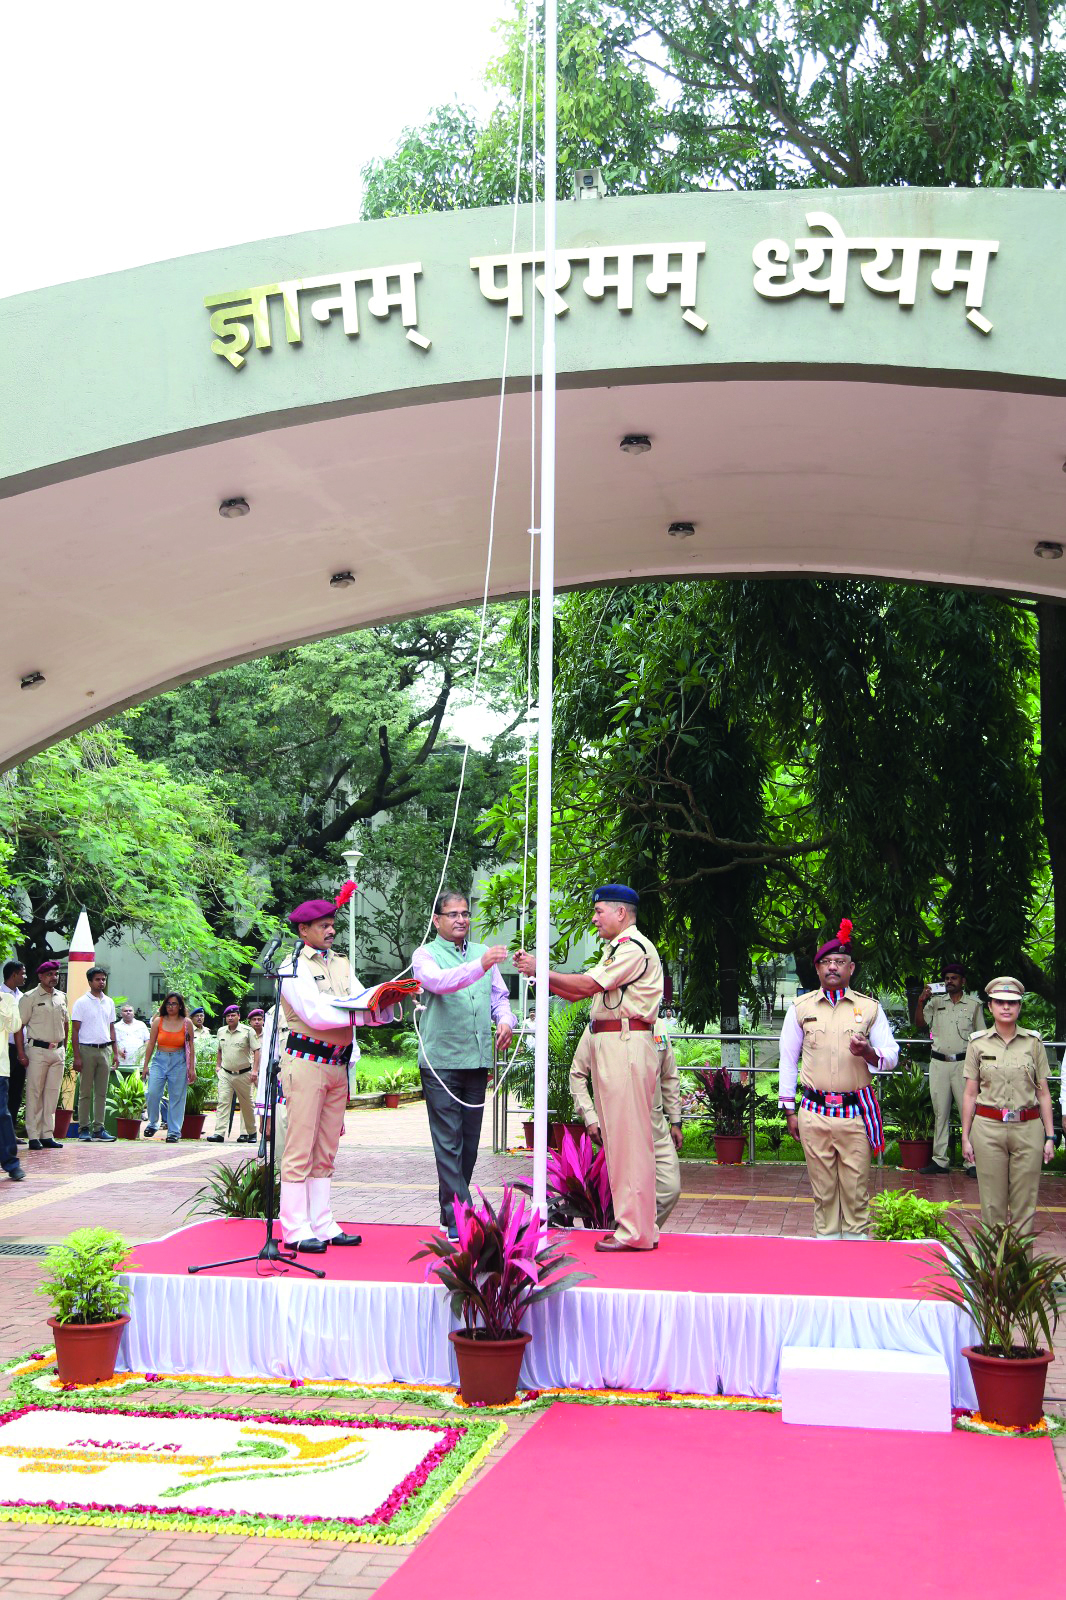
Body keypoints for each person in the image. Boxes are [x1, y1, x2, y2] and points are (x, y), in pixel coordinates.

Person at [516, 883, 664, 1253]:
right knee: (623, 1142)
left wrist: (541, 969)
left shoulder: (632, 948)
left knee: (628, 1143)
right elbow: (575, 990)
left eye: (600, 911)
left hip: (626, 1045)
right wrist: (541, 975)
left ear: (621, 913)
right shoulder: (618, 950)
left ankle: (634, 1232)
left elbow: (585, 987)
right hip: (616, 1045)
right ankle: (639, 1228)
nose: (595, 918)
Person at [278, 892, 399, 1253]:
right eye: (323, 926)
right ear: (304, 930)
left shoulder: (342, 964)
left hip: (337, 1063)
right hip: (307, 1062)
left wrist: (386, 1000)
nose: (331, 931)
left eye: (332, 925)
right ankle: (295, 1227)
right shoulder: (292, 967)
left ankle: (323, 1222)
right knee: (300, 1147)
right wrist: (365, 1011)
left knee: (327, 1148)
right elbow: (316, 1014)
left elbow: (362, 998)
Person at [777, 920, 899, 1239]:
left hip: (855, 1114)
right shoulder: (800, 1008)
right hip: (814, 1114)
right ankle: (827, 1257)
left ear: (851, 968)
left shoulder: (869, 1008)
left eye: (840, 962)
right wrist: (789, 1110)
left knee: (857, 1195)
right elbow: (788, 1060)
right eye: (827, 962)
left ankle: (857, 1261)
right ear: (817, 969)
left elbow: (891, 1054)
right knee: (824, 1194)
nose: (833, 967)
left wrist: (869, 1053)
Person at [411, 890, 517, 1237]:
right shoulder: (425, 954)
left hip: (476, 1060)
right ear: (436, 920)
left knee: (469, 1144)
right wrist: (481, 965)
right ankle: (462, 1218)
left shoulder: (481, 953)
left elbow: (499, 998)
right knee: (448, 1142)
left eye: (465, 914)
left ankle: (451, 1214)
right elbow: (440, 984)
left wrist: (506, 1021)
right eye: (453, 914)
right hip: (440, 1061)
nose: (461, 920)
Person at [961, 976, 1056, 1233]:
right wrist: (965, 1136)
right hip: (988, 1127)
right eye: (1000, 1002)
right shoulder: (977, 1043)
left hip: (1027, 1128)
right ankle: (995, 1269)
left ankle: (1021, 1271)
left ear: (1019, 1007)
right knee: (992, 1204)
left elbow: (1043, 1092)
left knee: (1025, 1204)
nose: (1006, 1007)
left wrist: (1050, 1136)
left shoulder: (1033, 1043)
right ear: (990, 1006)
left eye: (1012, 1003)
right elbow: (970, 1094)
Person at [570, 1016, 683, 1229]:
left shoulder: (656, 1025)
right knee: (628, 1192)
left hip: (654, 1124)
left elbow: (669, 1075)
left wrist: (675, 1119)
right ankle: (627, 1233)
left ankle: (635, 1231)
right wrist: (590, 1117)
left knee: (670, 1187)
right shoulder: (599, 1026)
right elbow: (577, 1074)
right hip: (619, 1125)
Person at [914, 962, 984, 1177]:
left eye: (954, 978)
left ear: (963, 981)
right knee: (940, 1112)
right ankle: (940, 1160)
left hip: (964, 1064)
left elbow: (981, 1036)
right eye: (946, 978)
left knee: (969, 1112)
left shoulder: (974, 1004)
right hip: (939, 1064)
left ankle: (971, 1161)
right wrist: (920, 1001)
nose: (949, 981)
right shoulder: (935, 1002)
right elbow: (919, 1024)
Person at [17, 959, 68, 1151]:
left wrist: (64, 1046)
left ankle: (47, 1134)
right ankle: (33, 1135)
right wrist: (22, 1052)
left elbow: (66, 1023)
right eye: (49, 974)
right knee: (35, 1093)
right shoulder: (29, 997)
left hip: (57, 1051)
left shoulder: (61, 997)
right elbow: (19, 1026)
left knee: (52, 1094)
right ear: (40, 976)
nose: (53, 978)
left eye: (56, 974)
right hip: (37, 1050)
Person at [70, 967, 119, 1143]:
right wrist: (77, 1056)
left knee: (102, 1091)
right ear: (90, 981)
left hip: (105, 1049)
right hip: (86, 1049)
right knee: (85, 1091)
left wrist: (115, 1052)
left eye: (103, 979)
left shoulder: (109, 1002)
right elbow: (75, 1031)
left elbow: (111, 1028)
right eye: (98, 979)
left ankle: (99, 1128)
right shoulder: (81, 1002)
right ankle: (84, 1128)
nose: (101, 982)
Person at [140, 993, 196, 1142]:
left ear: (180, 1006)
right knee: (152, 1093)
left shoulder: (186, 1023)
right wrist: (146, 1065)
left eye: (174, 1004)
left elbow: (191, 1046)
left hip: (179, 1061)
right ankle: (153, 1123)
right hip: (159, 1060)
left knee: (177, 1097)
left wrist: (192, 1068)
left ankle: (174, 1131)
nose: (171, 1006)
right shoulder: (158, 1021)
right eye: (169, 1004)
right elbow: (151, 1043)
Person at [206, 1004, 257, 1143]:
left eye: (233, 1015)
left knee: (247, 1104)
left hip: (244, 1073)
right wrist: (218, 1066)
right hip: (226, 1073)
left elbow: (257, 1051)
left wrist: (255, 1071)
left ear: (239, 1016)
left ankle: (251, 1133)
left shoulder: (248, 1031)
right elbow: (219, 1050)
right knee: (223, 1102)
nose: (230, 1018)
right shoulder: (221, 1031)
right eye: (228, 1016)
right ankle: (219, 1133)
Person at [0, 988, 26, 1181]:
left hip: (0, 1069)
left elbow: (15, 1025)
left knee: (2, 1115)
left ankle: (11, 1164)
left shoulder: (7, 999)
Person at [1, 961, 27, 1143]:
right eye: (22, 973)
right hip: (4, 1049)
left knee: (16, 1090)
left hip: (21, 1050)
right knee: (3, 1089)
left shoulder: (23, 997)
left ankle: (10, 1132)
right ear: (13, 975)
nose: (25, 976)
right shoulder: (1, 995)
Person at [114, 1003, 150, 1073]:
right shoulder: (116, 1026)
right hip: (123, 1060)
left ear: (134, 1013)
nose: (128, 1012)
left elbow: (147, 1040)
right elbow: (113, 1042)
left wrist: (143, 1050)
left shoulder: (141, 1025)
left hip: (139, 1060)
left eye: (130, 1011)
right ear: (121, 1014)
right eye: (125, 1011)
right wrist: (119, 1051)